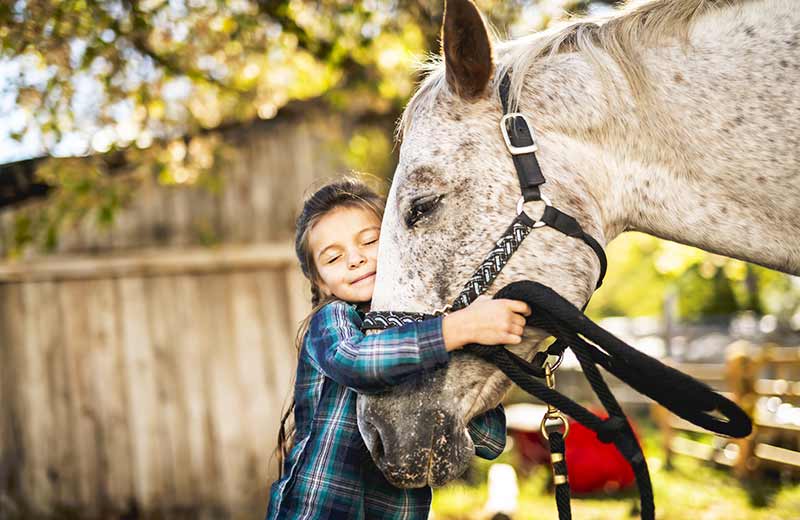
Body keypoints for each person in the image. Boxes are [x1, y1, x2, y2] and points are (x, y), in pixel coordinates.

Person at [266, 177, 532, 519]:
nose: (355, 259)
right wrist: (459, 328)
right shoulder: (332, 320)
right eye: (333, 258)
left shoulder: (426, 330)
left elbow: (490, 441)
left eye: (369, 241)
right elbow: (355, 361)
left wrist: (473, 347)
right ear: (320, 282)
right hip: (317, 510)